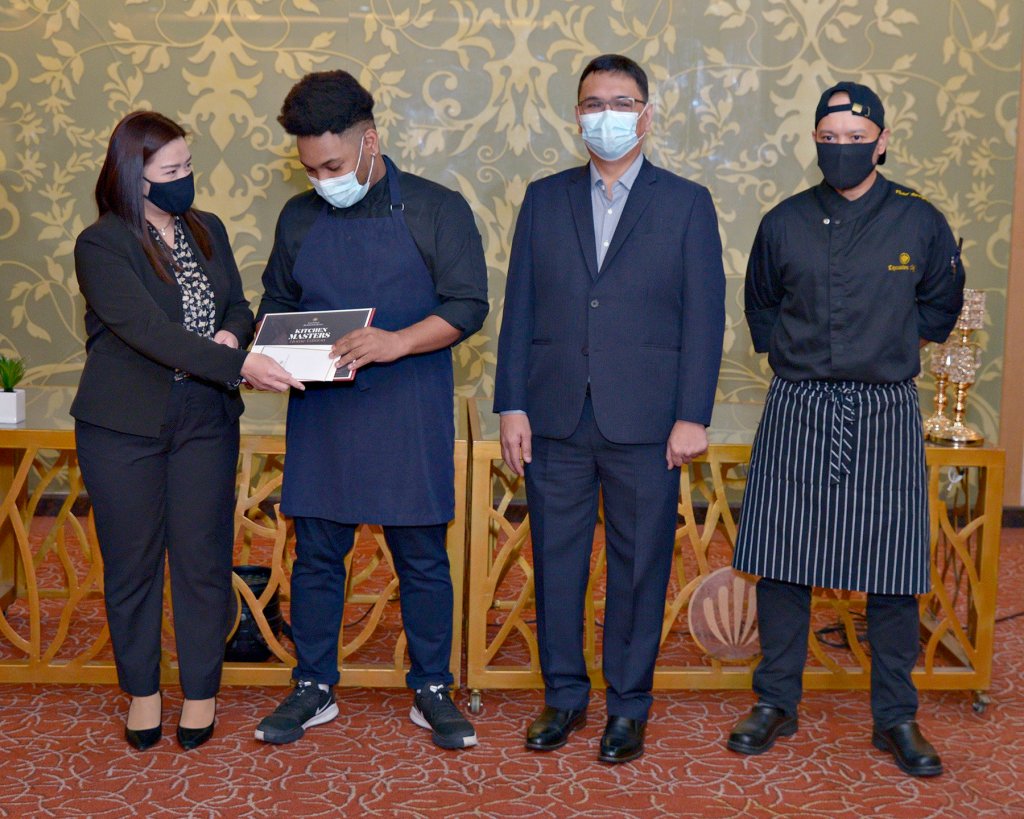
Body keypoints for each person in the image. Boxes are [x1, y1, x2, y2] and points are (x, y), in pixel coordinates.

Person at [727, 81, 965, 778]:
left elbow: (940, 306)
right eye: (829, 140)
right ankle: (775, 700)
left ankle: (895, 715)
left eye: (855, 140)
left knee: (893, 570)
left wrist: (881, 348)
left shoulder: (920, 220)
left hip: (886, 406)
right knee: (781, 561)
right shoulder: (784, 221)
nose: (841, 150)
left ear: (882, 142)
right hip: (798, 403)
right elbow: (761, 307)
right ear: (815, 141)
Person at [494, 54, 726, 764]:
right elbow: (519, 307)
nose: (607, 115)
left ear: (646, 115)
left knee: (638, 567)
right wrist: (511, 403)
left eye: (621, 103)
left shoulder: (686, 203)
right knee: (556, 564)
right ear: (576, 117)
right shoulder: (544, 198)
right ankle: (564, 696)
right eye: (593, 103)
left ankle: (628, 706)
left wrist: (692, 414)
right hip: (555, 416)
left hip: (648, 422)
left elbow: (705, 317)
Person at [253, 70, 488, 750]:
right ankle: (313, 684)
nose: (322, 179)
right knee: (316, 554)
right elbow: (277, 302)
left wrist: (396, 342)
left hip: (408, 403)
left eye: (332, 165)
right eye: (309, 168)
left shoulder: (437, 209)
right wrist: (274, 352)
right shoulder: (299, 217)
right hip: (323, 409)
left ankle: (433, 686)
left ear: (370, 142)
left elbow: (468, 305)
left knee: (422, 556)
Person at [73, 111, 301, 752]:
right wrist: (240, 363)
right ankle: (143, 692)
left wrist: (232, 332)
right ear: (132, 176)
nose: (184, 179)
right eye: (170, 170)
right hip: (124, 427)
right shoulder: (102, 245)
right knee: (133, 565)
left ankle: (202, 692)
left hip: (205, 418)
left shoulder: (208, 229)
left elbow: (238, 303)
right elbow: (147, 332)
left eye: (188, 166)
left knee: (203, 561)